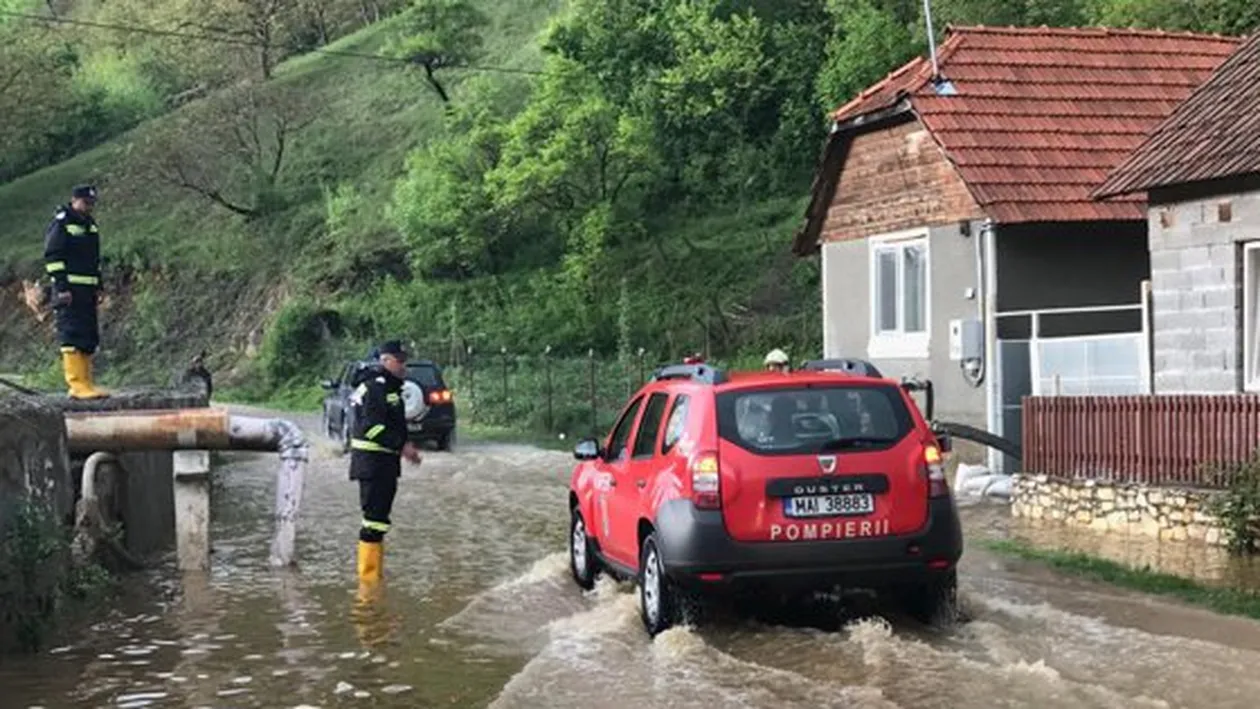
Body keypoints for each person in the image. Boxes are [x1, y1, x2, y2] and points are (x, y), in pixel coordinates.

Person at [349, 339, 423, 587]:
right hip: (373, 463)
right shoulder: (376, 388)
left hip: (383, 463)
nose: (404, 366)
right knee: (373, 521)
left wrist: (402, 444)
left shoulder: (389, 388)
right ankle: (368, 583)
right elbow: (370, 428)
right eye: (399, 361)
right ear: (385, 361)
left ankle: (373, 577)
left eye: (405, 361)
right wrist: (401, 446)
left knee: (379, 521)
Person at [44, 184, 108, 399]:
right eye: (85, 203)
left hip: (87, 290)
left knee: (88, 336)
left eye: (91, 204)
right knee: (71, 334)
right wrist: (61, 287)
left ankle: (87, 383)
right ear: (74, 200)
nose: (88, 207)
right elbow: (53, 257)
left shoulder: (90, 225)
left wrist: (98, 286)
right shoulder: (62, 223)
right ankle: (76, 384)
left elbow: (94, 259)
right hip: (69, 290)